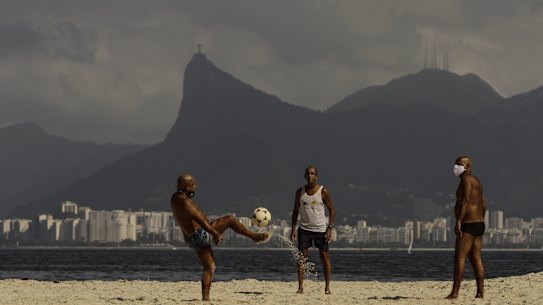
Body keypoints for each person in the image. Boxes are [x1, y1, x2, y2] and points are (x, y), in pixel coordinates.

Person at [171, 173, 272, 301]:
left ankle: (205, 299)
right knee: (230, 219)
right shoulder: (187, 203)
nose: (195, 186)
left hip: (190, 238)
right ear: (186, 187)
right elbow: (202, 221)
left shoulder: (175, 198)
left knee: (209, 267)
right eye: (193, 185)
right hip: (200, 235)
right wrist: (215, 234)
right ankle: (254, 237)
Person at [446, 156, 487, 299]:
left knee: (459, 258)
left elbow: (465, 200)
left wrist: (459, 220)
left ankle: (455, 293)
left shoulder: (466, 179)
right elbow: (483, 204)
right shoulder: (477, 182)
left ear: (467, 166)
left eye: (459, 164)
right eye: (455, 163)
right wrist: (480, 219)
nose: (456, 166)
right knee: (476, 259)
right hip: (478, 223)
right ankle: (480, 293)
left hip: (468, 224)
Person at [291, 165, 335, 294]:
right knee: (301, 258)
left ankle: (327, 287)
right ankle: (300, 287)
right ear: (305, 176)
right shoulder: (300, 192)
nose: (310, 175)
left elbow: (332, 210)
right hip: (304, 229)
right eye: (308, 173)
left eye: (312, 173)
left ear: (316, 176)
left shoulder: (323, 191)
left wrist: (329, 229)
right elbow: (295, 211)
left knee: (324, 257)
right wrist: (293, 229)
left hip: (321, 230)